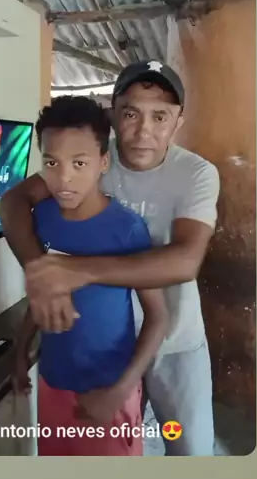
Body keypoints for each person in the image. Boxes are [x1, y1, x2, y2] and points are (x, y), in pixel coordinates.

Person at [1, 60, 220, 456]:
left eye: (160, 116)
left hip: (174, 340)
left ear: (178, 121)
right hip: (98, 351)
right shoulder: (86, 157)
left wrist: (73, 271)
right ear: (115, 114)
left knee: (190, 447)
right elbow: (12, 202)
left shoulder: (196, 174)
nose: (144, 130)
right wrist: (42, 276)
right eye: (131, 113)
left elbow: (186, 262)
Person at [12, 95, 168, 456]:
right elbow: (43, 291)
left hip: (108, 391)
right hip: (53, 382)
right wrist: (20, 352)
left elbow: (158, 317)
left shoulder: (127, 230)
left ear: (103, 162)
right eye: (51, 162)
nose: (63, 177)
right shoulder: (42, 219)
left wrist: (119, 391)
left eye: (79, 163)